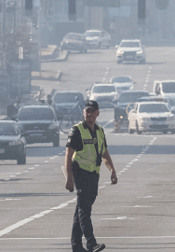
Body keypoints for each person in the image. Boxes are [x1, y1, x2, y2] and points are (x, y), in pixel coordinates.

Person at [65, 99, 117, 252]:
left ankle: (76, 246)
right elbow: (68, 155)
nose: (89, 114)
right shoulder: (77, 130)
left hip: (94, 174)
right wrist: (69, 178)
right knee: (84, 209)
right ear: (83, 113)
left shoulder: (100, 131)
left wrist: (112, 170)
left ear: (97, 113)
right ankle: (91, 243)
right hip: (80, 172)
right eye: (86, 111)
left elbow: (104, 153)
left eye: (92, 111)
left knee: (82, 209)